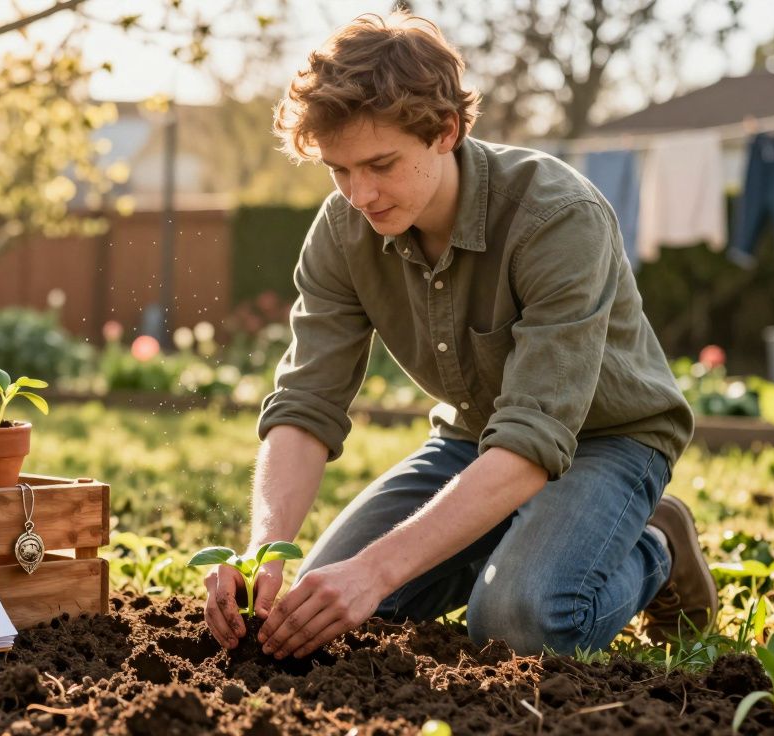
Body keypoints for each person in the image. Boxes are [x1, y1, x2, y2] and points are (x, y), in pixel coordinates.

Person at [202, 12, 717, 659]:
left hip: (607, 439)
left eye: (381, 164)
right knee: (317, 613)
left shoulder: (557, 217)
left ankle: (655, 547)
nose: (359, 194)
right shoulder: (343, 229)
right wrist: (264, 551)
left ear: (445, 131)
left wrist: (378, 568)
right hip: (472, 441)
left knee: (516, 622)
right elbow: (306, 403)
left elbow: (534, 436)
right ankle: (522, 541)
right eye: (339, 170)